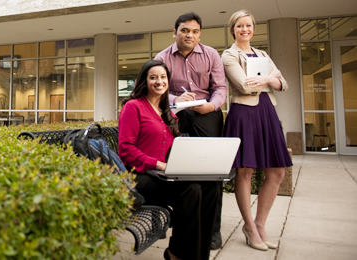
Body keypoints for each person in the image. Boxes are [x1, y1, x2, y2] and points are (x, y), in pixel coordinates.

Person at [118, 60, 219, 260]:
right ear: (144, 81)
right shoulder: (133, 107)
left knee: (212, 185)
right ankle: (177, 254)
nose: (159, 81)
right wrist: (157, 164)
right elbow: (125, 149)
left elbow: (173, 148)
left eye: (163, 77)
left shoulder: (168, 112)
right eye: (153, 77)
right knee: (191, 189)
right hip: (140, 175)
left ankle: (200, 254)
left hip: (164, 174)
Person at [221, 10, 293, 251]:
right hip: (244, 114)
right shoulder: (229, 55)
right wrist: (270, 79)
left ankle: (260, 225)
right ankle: (250, 227)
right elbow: (244, 86)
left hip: (267, 113)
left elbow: (284, 85)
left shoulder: (262, 54)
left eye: (248, 25)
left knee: (278, 172)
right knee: (245, 172)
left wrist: (272, 81)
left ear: (253, 28)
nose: (245, 30)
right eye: (240, 26)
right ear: (233, 29)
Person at [154, 12, 227, 250]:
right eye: (185, 30)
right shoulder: (162, 57)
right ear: (175, 33)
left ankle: (212, 229)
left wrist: (212, 105)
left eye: (195, 31)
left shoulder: (211, 54)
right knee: (171, 164)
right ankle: (165, 220)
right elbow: (157, 90)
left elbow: (220, 88)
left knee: (212, 170)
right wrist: (176, 98)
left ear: (199, 35)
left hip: (206, 112)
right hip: (175, 112)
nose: (190, 35)